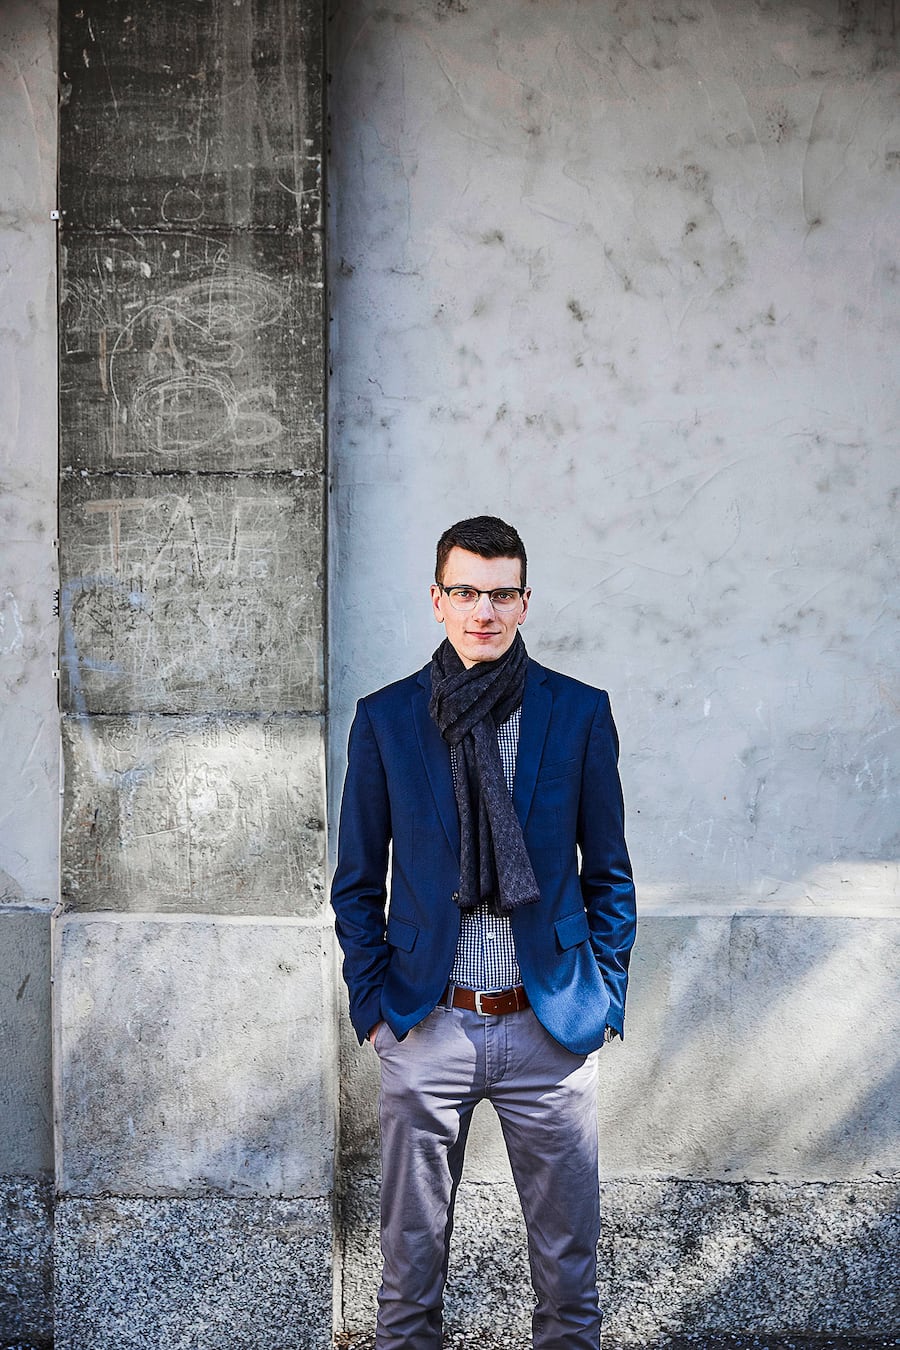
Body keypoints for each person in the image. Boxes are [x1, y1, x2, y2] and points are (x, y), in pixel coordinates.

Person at [331, 515, 636, 1350]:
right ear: (437, 600)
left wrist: (602, 995)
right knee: (407, 1278)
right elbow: (357, 883)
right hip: (427, 1024)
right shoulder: (388, 720)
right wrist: (377, 1012)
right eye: (465, 591)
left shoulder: (577, 713)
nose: (483, 611)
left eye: (502, 594)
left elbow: (609, 873)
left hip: (550, 1023)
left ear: (526, 602)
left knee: (571, 1280)